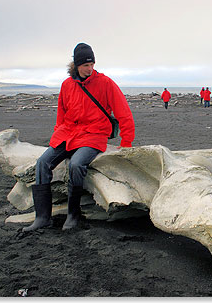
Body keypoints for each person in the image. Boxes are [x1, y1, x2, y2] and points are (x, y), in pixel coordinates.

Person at [23, 43, 135, 232]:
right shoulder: (67, 85)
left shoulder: (106, 83)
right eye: (85, 65)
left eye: (92, 64)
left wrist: (126, 142)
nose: (89, 69)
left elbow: (124, 112)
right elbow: (62, 113)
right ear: (76, 65)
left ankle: (73, 215)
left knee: (76, 164)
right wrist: (57, 136)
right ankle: (42, 217)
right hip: (68, 134)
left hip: (94, 135)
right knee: (42, 162)